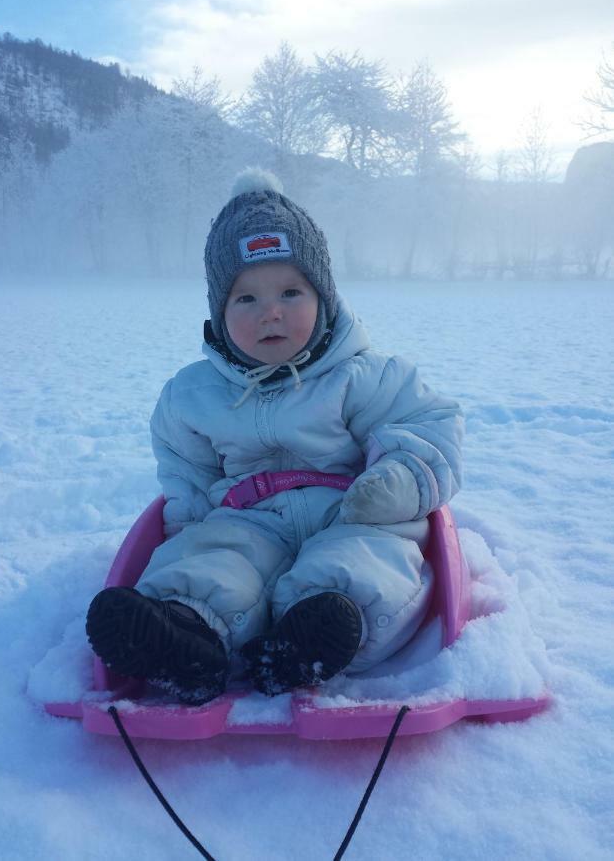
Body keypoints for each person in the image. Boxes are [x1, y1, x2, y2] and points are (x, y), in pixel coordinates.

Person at [86, 169, 463, 705]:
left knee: (363, 562)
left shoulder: (363, 374)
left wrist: (398, 481)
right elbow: (186, 468)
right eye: (246, 299)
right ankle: (183, 635)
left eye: (291, 291)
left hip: (350, 510)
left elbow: (428, 426)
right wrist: (188, 525)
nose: (272, 311)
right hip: (245, 516)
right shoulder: (193, 394)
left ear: (324, 298)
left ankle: (313, 639)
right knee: (213, 561)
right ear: (219, 313)